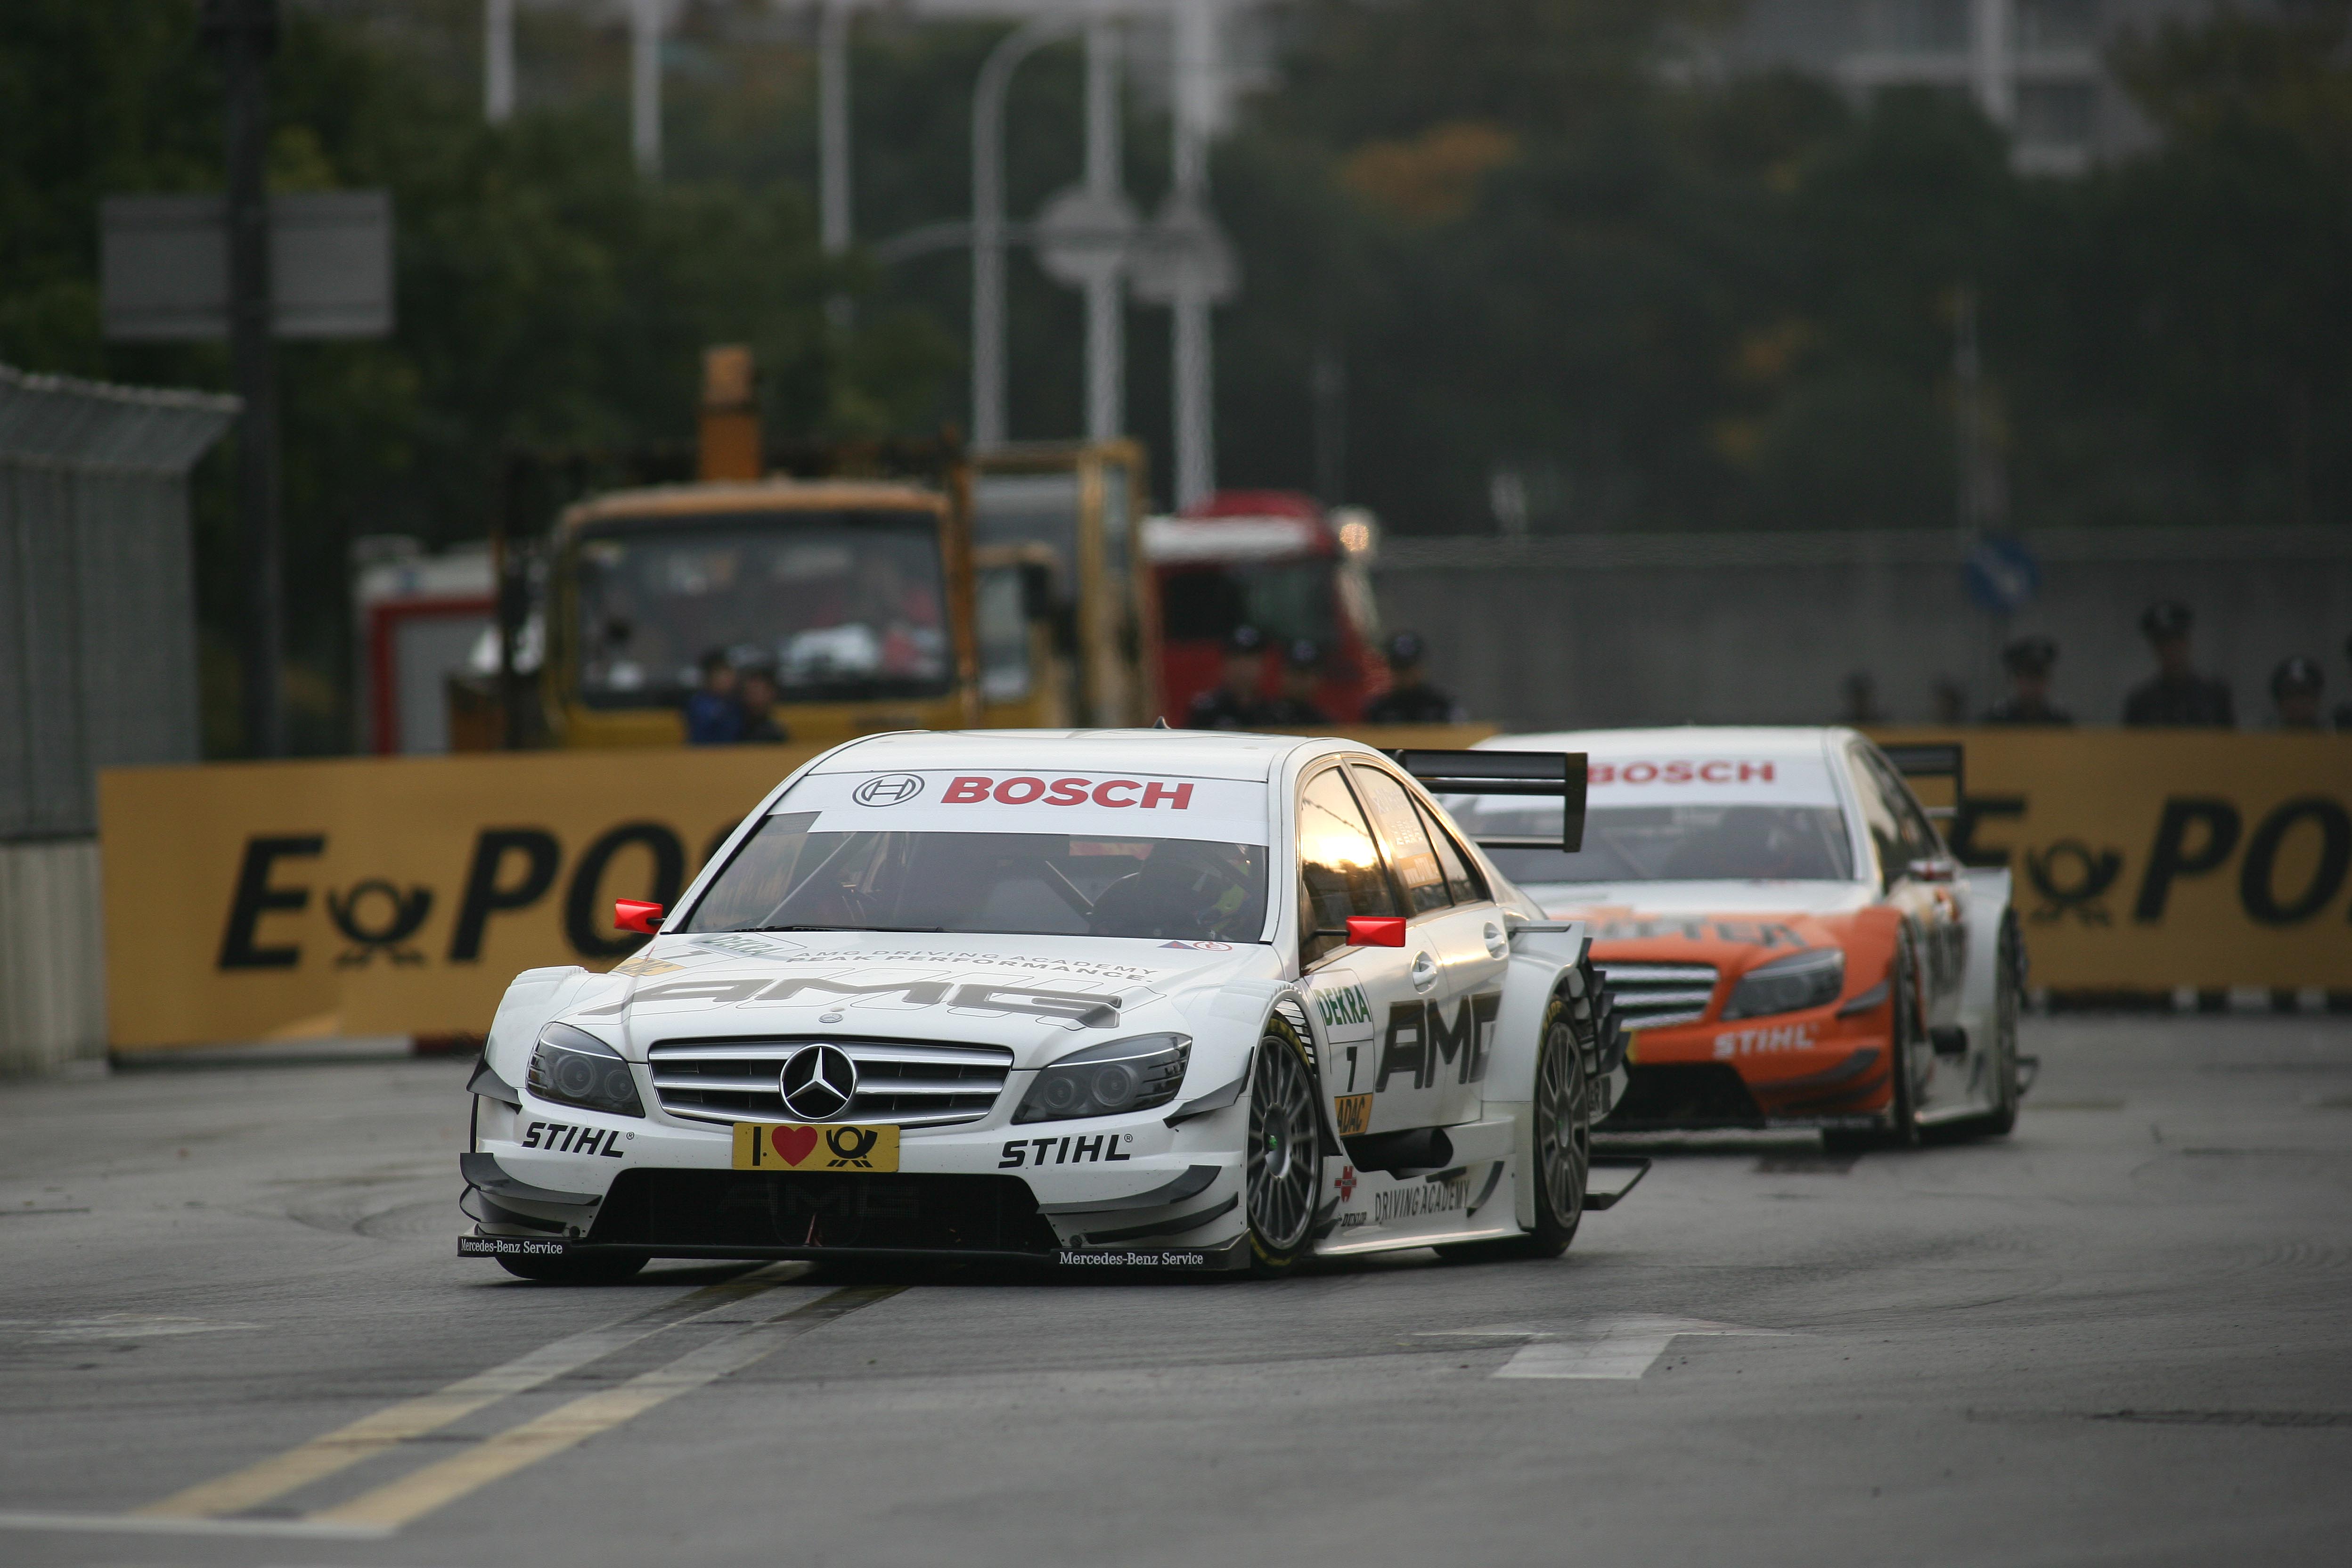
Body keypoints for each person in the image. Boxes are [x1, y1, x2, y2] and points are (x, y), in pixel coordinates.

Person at [2123, 601, 2234, 728]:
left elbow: (2229, 743)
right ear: (2156, 649)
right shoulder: (2142, 703)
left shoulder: (2214, 696)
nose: (2171, 650)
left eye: (2176, 642)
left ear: (2187, 643)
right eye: (2164, 644)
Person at [1362, 630, 1465, 724]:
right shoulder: (1380, 708)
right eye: (1399, 668)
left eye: (1409, 668)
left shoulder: (1441, 705)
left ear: (1421, 667)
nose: (1405, 674)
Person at [1186, 625, 1272, 730]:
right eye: (1237, 659)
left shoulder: (1273, 713)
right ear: (1225, 664)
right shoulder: (1206, 711)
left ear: (1263, 665)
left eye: (1250, 659)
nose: (1244, 666)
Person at [1983, 636, 2071, 725]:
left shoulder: (2060, 723)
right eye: (2029, 678)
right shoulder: (1997, 722)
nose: (2033, 685)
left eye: (2039, 677)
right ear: (2016, 679)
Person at [1259, 639, 1332, 728]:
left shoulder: (1323, 723)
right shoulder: (1262, 717)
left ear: (1318, 678)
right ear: (1283, 674)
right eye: (1295, 673)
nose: (1300, 680)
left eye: (1307, 673)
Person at [684, 649, 743, 745]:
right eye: (723, 675)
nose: (730, 679)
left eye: (730, 674)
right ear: (709, 677)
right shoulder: (700, 704)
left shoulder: (735, 703)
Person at [736, 663, 789, 743]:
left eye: (758, 693)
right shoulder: (731, 727)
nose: (754, 698)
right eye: (750, 692)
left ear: (772, 693)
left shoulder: (775, 732)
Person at [2270, 656, 2325, 730]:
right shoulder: (2265, 738)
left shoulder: (2333, 738)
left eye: (2303, 693)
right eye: (2290, 694)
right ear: (2279, 702)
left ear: (2317, 699)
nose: (2297, 700)